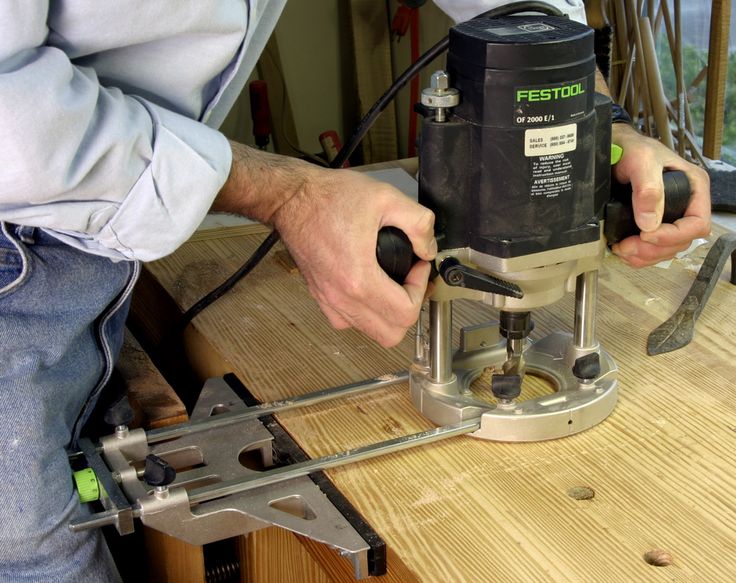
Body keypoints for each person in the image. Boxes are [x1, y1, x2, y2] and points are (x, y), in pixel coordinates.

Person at [0, 1, 710, 581]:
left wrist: (606, 126)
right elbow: (17, 123)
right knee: (41, 553)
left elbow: (519, 15)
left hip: (101, 237)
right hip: (16, 239)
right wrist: (287, 196)